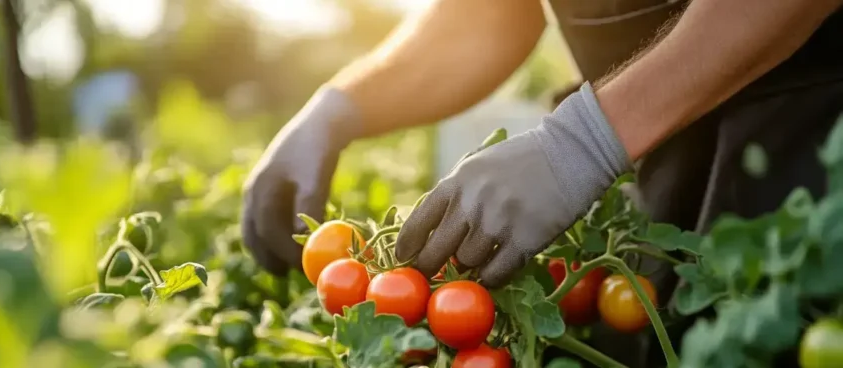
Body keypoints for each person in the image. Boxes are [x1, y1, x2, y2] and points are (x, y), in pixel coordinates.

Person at [241, 0, 843, 299]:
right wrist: (341, 106)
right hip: (658, 170)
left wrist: (584, 140)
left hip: (815, 149)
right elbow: (491, 16)